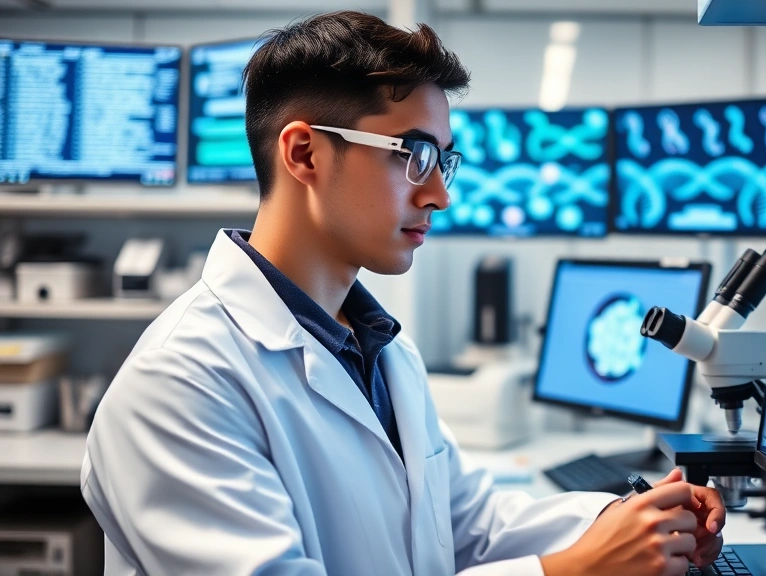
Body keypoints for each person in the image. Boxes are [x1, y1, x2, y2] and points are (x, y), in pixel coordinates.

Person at [80, 11, 725, 575]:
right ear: (304, 154)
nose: (439, 195)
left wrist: (634, 518)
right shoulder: (180, 382)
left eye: (443, 160)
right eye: (412, 154)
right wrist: (564, 572)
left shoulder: (379, 349)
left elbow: (468, 523)